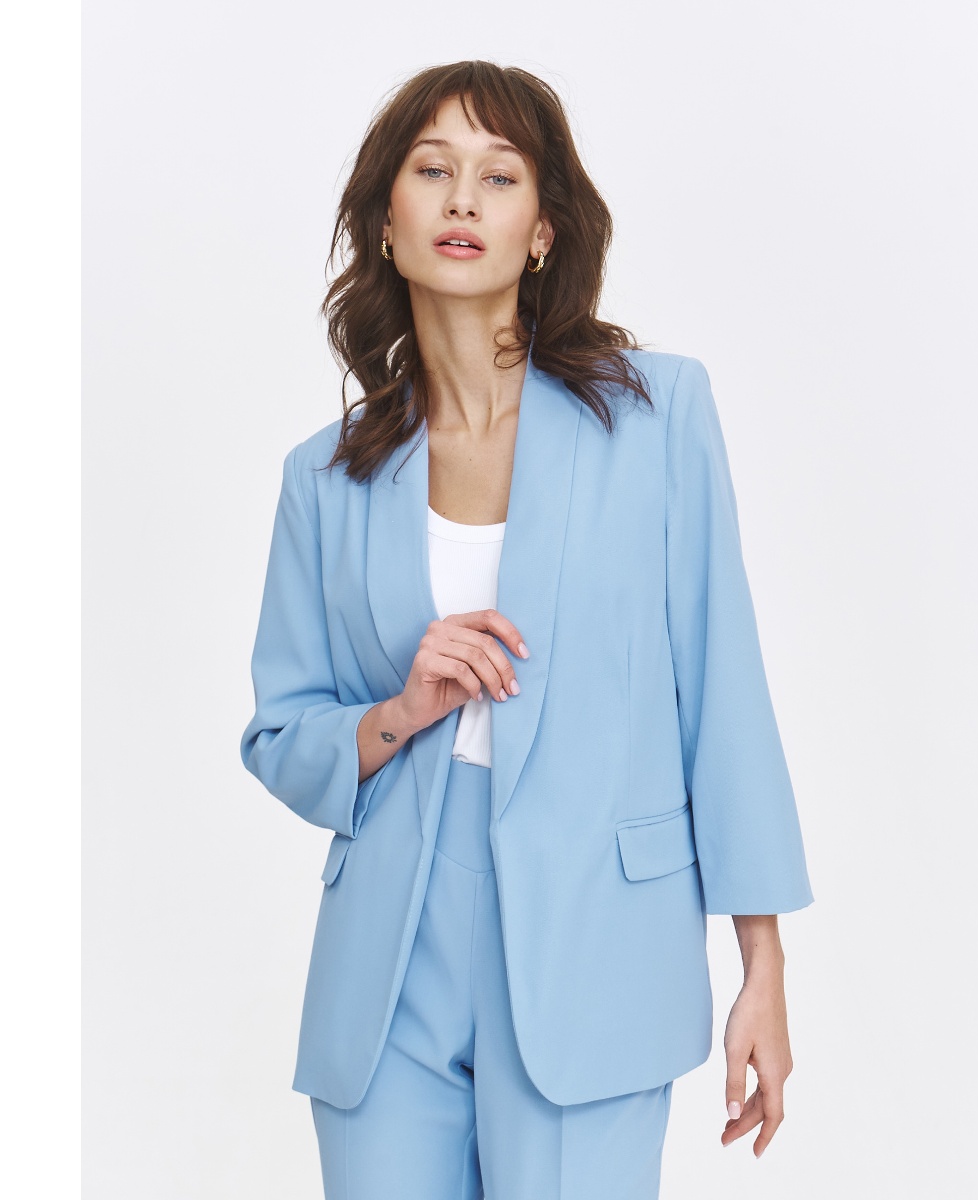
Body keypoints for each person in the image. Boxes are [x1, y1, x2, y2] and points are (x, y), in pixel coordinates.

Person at [240, 60, 814, 1200]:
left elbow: (724, 688)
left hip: (597, 941)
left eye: (499, 177)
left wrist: (763, 960)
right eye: (432, 171)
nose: (463, 199)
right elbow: (282, 735)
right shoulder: (324, 479)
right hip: (390, 967)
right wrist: (399, 711)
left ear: (543, 231)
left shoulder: (656, 418)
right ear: (387, 223)